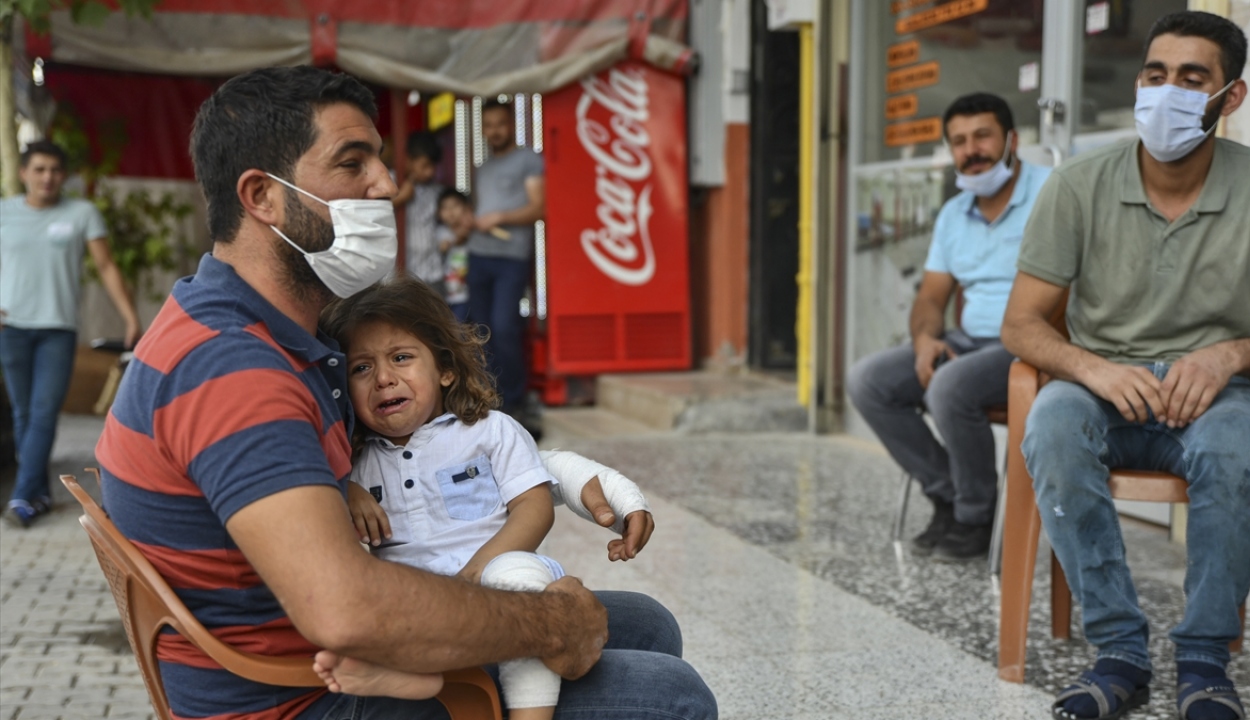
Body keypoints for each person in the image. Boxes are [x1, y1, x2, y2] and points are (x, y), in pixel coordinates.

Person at [95, 66, 716, 720]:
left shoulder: (258, 329)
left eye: (381, 163)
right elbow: (346, 608)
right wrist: (548, 625)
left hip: (316, 643)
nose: (387, 186)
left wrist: (557, 476)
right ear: (263, 197)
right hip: (300, 695)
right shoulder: (233, 371)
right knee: (673, 698)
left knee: (644, 623)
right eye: (352, 163)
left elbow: (453, 447)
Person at [1002, 12, 1250, 720]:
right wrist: (1090, 369)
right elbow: (1022, 324)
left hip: (1218, 396)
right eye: (1156, 75)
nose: (1169, 93)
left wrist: (1232, 354)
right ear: (1137, 84)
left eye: (1193, 78)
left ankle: (1204, 662)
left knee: (1244, 446)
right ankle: (1119, 649)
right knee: (1053, 423)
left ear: (1232, 96)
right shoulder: (1077, 185)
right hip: (1104, 388)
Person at [314, 275, 619, 718]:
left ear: (445, 369)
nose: (383, 379)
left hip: (495, 588)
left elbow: (533, 508)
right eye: (361, 368)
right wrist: (345, 490)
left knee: (518, 581)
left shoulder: (488, 431)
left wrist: (479, 573)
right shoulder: (356, 462)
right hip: (415, 609)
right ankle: (402, 678)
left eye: (401, 358)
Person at [847, 93, 1052, 561]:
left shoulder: (1053, 192)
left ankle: (975, 516)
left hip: (1033, 341)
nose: (971, 150)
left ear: (1012, 140)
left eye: (982, 136)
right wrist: (925, 340)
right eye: (958, 141)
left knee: (949, 386)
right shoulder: (953, 214)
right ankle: (949, 493)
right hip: (970, 339)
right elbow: (931, 297)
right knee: (869, 381)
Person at [0, 139, 142, 529]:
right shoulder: (4, 213)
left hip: (57, 330)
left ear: (63, 176)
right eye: (39, 169)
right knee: (24, 414)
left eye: (54, 170)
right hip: (10, 328)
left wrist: (130, 316)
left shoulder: (81, 213)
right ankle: (37, 493)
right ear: (24, 173)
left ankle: (20, 496)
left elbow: (107, 266)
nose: (47, 177)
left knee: (43, 412)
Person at [453, 99, 544, 420]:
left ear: (512, 125)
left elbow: (539, 208)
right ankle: (488, 396)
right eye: (488, 125)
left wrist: (500, 217)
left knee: (505, 327)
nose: (494, 131)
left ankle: (514, 398)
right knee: (479, 329)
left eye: (500, 124)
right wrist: (469, 222)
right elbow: (479, 213)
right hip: (478, 255)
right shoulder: (482, 168)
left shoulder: (528, 159)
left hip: (511, 257)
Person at [390, 130, 453, 293]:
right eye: (424, 165)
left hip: (432, 272)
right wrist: (400, 198)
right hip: (399, 275)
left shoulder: (437, 192)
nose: (430, 172)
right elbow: (369, 214)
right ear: (409, 160)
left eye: (433, 166)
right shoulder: (390, 182)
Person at [436, 187, 473, 321]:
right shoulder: (439, 233)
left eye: (455, 206)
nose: (450, 212)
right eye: (445, 208)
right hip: (444, 294)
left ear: (467, 208)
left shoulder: (474, 233)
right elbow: (441, 248)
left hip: (467, 295)